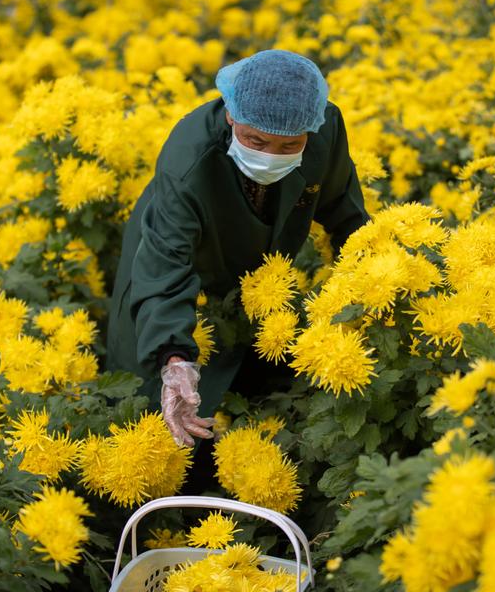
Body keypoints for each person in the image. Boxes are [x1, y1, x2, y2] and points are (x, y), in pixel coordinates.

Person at [105, 49, 369, 454]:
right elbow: (165, 264)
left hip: (258, 264)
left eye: (289, 146)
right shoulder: (188, 159)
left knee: (248, 357)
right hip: (172, 249)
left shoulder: (325, 129)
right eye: (256, 140)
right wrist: (174, 358)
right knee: (149, 386)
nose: (270, 156)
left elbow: (343, 209)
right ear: (231, 114)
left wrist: (371, 277)